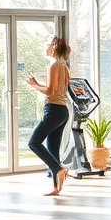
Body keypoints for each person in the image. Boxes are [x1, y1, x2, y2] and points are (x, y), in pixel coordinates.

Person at [26, 36, 71, 196]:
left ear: (53, 47)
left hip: (53, 110)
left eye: (47, 44)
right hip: (63, 111)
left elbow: (50, 91)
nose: (44, 47)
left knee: (33, 142)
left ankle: (58, 169)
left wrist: (34, 85)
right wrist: (39, 84)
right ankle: (55, 187)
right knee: (53, 149)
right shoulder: (64, 66)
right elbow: (62, 89)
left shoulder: (53, 65)